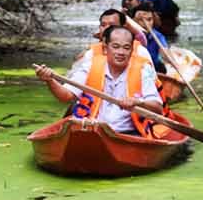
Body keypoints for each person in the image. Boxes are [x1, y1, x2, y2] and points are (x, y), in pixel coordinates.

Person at [33, 25, 166, 138]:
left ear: (132, 50)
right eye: (115, 46)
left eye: (126, 48)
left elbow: (158, 108)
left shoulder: (142, 71)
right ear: (105, 47)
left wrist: (138, 102)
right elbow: (66, 96)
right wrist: (50, 80)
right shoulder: (90, 66)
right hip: (91, 133)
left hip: (129, 134)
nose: (121, 52)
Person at [129, 1, 170, 75]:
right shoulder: (127, 34)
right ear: (133, 21)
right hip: (132, 68)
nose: (146, 24)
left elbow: (166, 55)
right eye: (140, 20)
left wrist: (167, 56)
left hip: (153, 68)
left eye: (149, 19)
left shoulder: (158, 36)